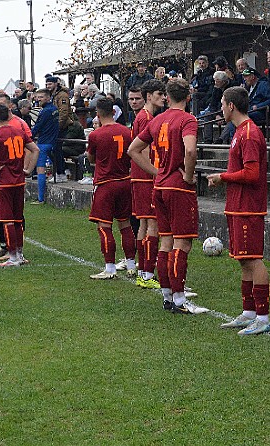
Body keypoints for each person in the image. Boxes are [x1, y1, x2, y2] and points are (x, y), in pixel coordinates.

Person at [127, 78, 207, 315]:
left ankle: (167, 296)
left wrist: (157, 172)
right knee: (182, 243)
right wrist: (189, 176)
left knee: (165, 241)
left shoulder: (157, 119)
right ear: (188, 98)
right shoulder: (187, 119)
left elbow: (133, 149)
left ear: (167, 97)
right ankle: (180, 300)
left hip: (159, 186)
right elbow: (190, 149)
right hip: (178, 187)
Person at [206, 86, 270, 335]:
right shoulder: (239, 132)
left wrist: (223, 177)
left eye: (222, 103)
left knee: (253, 259)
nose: (221, 108)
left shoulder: (250, 134)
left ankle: (263, 318)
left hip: (249, 207)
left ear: (231, 105)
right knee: (244, 259)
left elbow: (252, 174)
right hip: (237, 205)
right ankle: (249, 313)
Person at [0, 104, 39, 267]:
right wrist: (28, 169)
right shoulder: (19, 131)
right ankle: (19, 253)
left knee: (7, 220)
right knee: (18, 219)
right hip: (19, 180)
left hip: (3, 183)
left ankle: (13, 257)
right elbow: (35, 150)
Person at [85, 98, 136, 279]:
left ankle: (110, 268)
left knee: (104, 226)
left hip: (105, 183)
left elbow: (91, 159)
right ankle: (131, 264)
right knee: (125, 224)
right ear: (114, 112)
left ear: (97, 114)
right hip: (125, 180)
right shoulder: (127, 132)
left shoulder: (95, 135)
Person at [129, 79, 165, 289]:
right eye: (159, 94)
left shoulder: (145, 116)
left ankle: (143, 271)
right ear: (149, 96)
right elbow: (141, 151)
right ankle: (147, 273)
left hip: (140, 176)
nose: (163, 97)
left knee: (144, 224)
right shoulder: (146, 118)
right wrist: (156, 173)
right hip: (145, 177)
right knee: (153, 225)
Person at [30, 88, 59, 202]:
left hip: (43, 143)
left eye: (41, 97)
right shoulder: (54, 109)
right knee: (50, 165)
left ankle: (40, 198)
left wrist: (28, 136)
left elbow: (38, 126)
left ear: (48, 97)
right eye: (37, 97)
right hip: (53, 141)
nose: (38, 99)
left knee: (40, 168)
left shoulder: (45, 111)